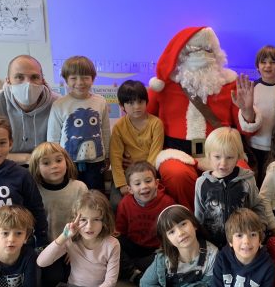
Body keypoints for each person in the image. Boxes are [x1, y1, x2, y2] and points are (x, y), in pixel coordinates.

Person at [147, 26, 262, 210]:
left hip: (220, 150)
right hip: (177, 151)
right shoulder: (164, 86)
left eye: (207, 50)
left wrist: (247, 110)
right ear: (182, 55)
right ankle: (189, 219)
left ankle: (229, 221)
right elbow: (145, 120)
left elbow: (247, 129)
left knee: (242, 174)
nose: (201, 56)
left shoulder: (229, 84)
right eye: (195, 51)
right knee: (176, 175)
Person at [31, 190, 120, 287]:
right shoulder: (71, 240)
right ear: (75, 220)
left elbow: (110, 282)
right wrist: (64, 236)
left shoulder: (112, 244)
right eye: (83, 220)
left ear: (105, 220)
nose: (89, 226)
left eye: (96, 219)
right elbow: (41, 262)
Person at [28, 142, 88, 287]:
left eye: (59, 160)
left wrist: (76, 246)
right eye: (46, 163)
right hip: (47, 247)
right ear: (37, 168)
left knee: (78, 277)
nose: (54, 166)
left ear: (66, 161)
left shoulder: (79, 187)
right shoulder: (34, 190)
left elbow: (86, 220)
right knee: (53, 279)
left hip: (74, 244)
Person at [194, 127, 266, 248]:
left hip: (242, 244)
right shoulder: (201, 183)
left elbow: (257, 205)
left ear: (238, 157)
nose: (223, 163)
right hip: (213, 244)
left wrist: (261, 229)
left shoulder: (247, 180)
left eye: (229, 157)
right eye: (217, 157)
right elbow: (199, 215)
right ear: (208, 155)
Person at [47, 56, 110, 191]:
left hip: (96, 161)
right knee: (71, 194)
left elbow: (105, 130)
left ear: (93, 79)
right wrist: (55, 160)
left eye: (85, 77)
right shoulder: (59, 104)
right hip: (68, 162)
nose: (80, 82)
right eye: (73, 78)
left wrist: (107, 155)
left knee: (95, 194)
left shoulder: (101, 102)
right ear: (66, 80)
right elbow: (53, 137)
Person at [115, 161, 175, 282]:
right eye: (137, 184)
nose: (144, 186)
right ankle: (134, 273)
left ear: (156, 183)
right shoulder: (125, 203)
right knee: (114, 243)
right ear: (130, 189)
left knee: (167, 257)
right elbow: (121, 232)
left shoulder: (167, 203)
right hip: (133, 246)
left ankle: (133, 270)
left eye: (148, 181)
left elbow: (172, 233)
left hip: (156, 250)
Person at [109, 80, 164, 208]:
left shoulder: (156, 124)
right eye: (130, 103)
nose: (137, 107)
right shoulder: (119, 127)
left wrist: (145, 179)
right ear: (122, 106)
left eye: (140, 102)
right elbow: (115, 158)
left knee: (157, 201)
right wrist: (122, 184)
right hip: (127, 175)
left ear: (146, 102)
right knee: (117, 204)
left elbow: (154, 155)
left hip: (149, 175)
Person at [0, 116, 48, 248]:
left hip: (19, 244)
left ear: (10, 143)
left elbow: (36, 209)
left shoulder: (22, 175)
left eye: (2, 143)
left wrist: (41, 241)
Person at [0, 55, 58, 165]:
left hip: (46, 166)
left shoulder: (59, 105)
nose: (28, 83)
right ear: (8, 81)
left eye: (34, 77)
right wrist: (27, 158)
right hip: (5, 166)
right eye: (19, 77)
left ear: (43, 81)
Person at [249, 45, 275, 187]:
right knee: (253, 182)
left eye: (273, 62)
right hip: (252, 146)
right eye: (263, 62)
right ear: (257, 66)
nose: (268, 66)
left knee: (269, 183)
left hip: (274, 148)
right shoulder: (251, 88)